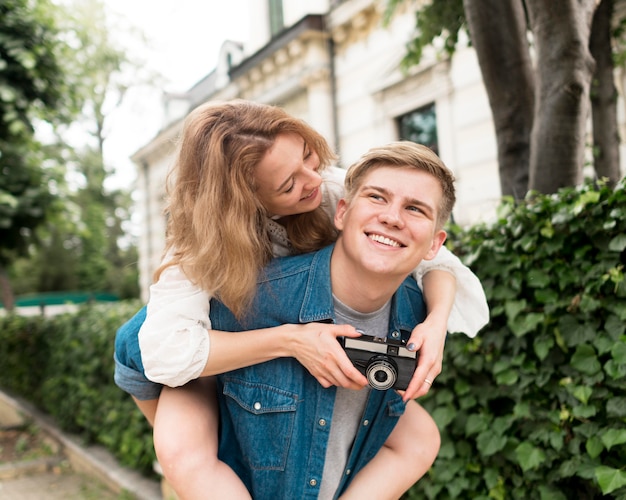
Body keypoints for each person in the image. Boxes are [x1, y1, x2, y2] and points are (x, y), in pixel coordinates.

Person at [114, 100, 488, 498]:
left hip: (266, 330)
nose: (312, 179)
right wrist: (292, 339)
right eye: (288, 185)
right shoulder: (199, 253)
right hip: (182, 351)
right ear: (246, 199)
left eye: (310, 157)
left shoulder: (329, 190)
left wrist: (436, 324)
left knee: (420, 436)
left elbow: (437, 260)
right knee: (183, 443)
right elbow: (159, 352)